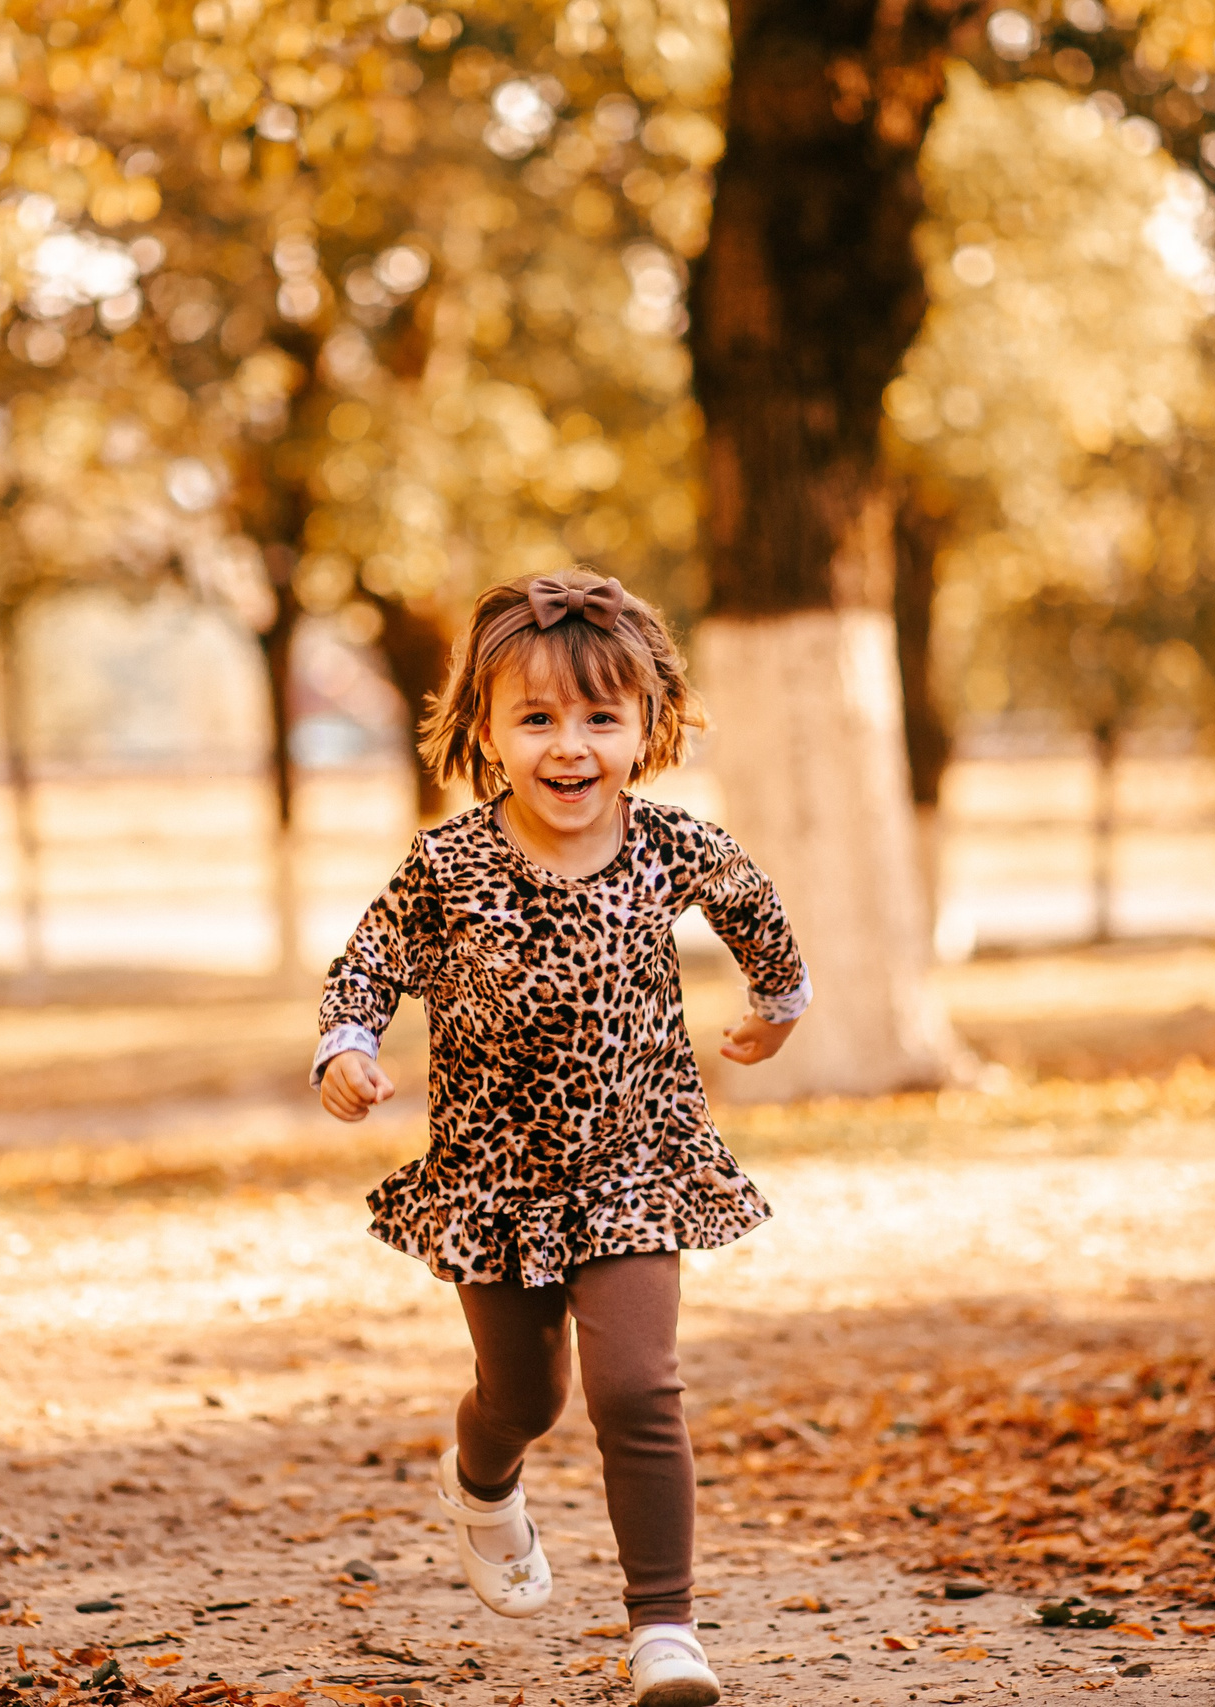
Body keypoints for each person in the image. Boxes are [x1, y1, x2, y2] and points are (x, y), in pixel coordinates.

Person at [312, 568, 808, 1707]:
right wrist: (346, 1049)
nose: (570, 745)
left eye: (600, 716)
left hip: (636, 1163)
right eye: (536, 718)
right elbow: (367, 965)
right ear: (484, 730)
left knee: (636, 1387)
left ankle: (665, 1633)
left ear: (645, 725)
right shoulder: (448, 867)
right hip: (493, 1179)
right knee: (524, 1398)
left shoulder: (670, 845)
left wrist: (777, 1007)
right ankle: (481, 1482)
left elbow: (757, 911)